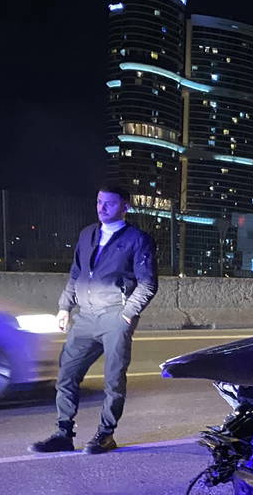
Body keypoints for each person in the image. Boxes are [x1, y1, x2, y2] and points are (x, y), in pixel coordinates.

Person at [29, 186, 157, 455]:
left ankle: (106, 434)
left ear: (125, 206)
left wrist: (127, 314)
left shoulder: (137, 239)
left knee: (114, 380)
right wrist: (65, 307)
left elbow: (148, 283)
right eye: (99, 202)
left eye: (109, 203)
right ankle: (63, 434)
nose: (102, 208)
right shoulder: (87, 234)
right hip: (85, 317)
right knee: (66, 375)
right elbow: (76, 273)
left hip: (115, 316)